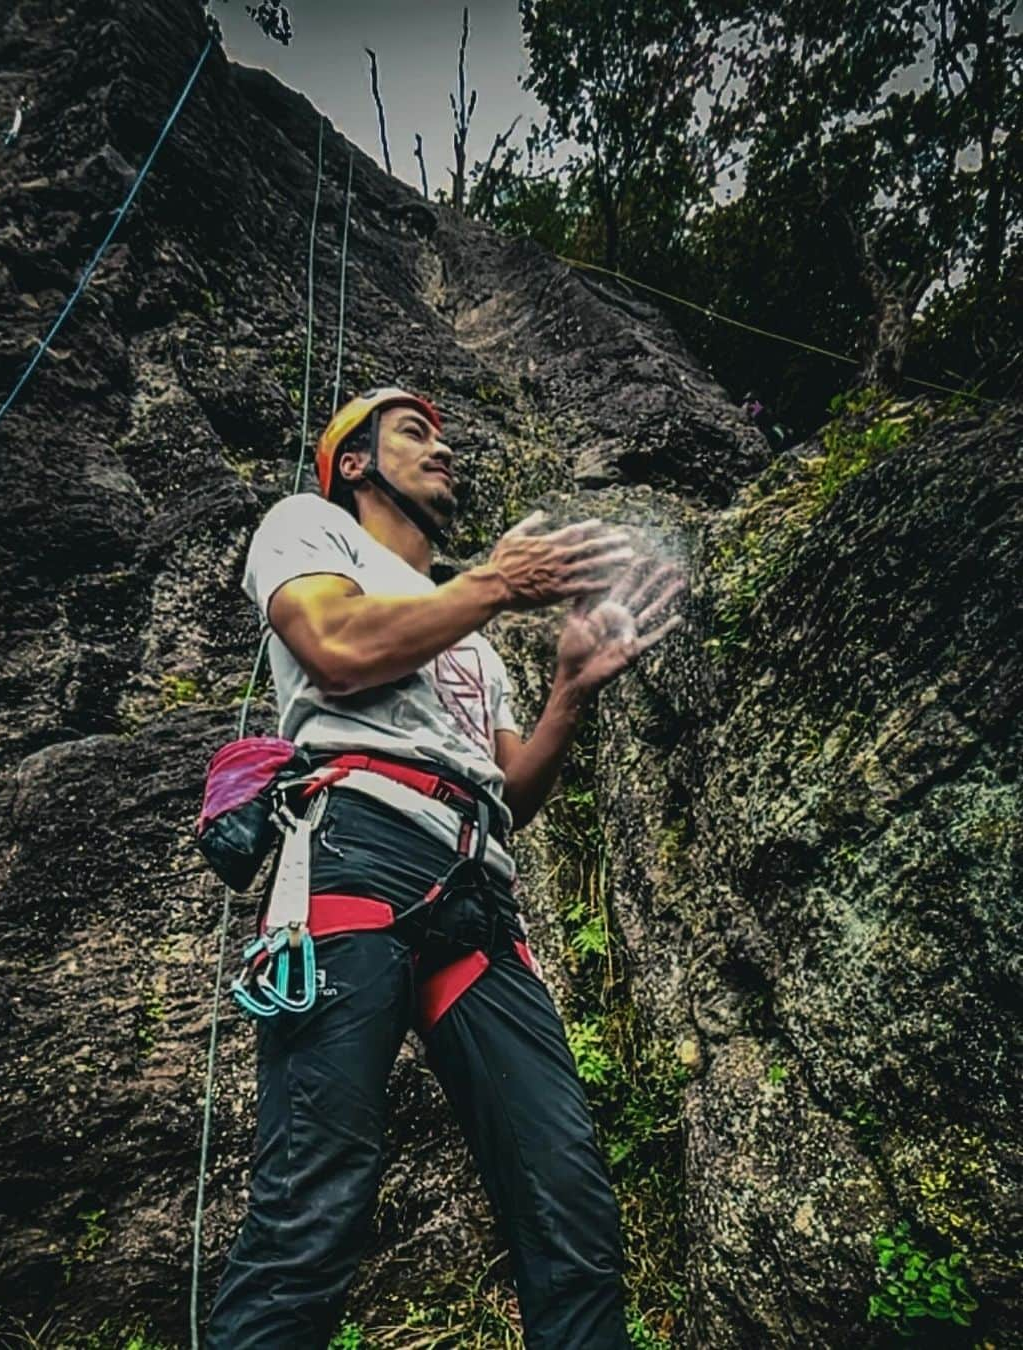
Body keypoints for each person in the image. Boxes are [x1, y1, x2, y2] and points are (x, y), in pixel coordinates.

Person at [206, 387, 686, 1349]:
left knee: (570, 1206)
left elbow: (505, 789)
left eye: (443, 433)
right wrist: (499, 585)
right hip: (356, 850)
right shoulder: (308, 529)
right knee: (315, 1203)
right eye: (415, 432)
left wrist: (567, 691)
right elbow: (335, 650)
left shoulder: (468, 637)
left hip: (477, 885)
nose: (445, 447)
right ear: (352, 463)